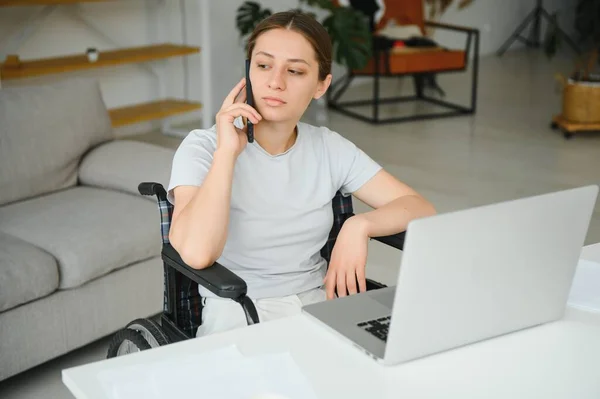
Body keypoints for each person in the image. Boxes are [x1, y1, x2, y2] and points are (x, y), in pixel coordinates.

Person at [166, 10, 436, 337]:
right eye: (263, 65)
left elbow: (419, 207)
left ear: (321, 85)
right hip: (239, 308)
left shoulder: (328, 148)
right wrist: (227, 154)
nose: (275, 81)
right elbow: (197, 253)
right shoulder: (203, 148)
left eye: (294, 71)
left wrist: (360, 225)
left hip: (319, 302)